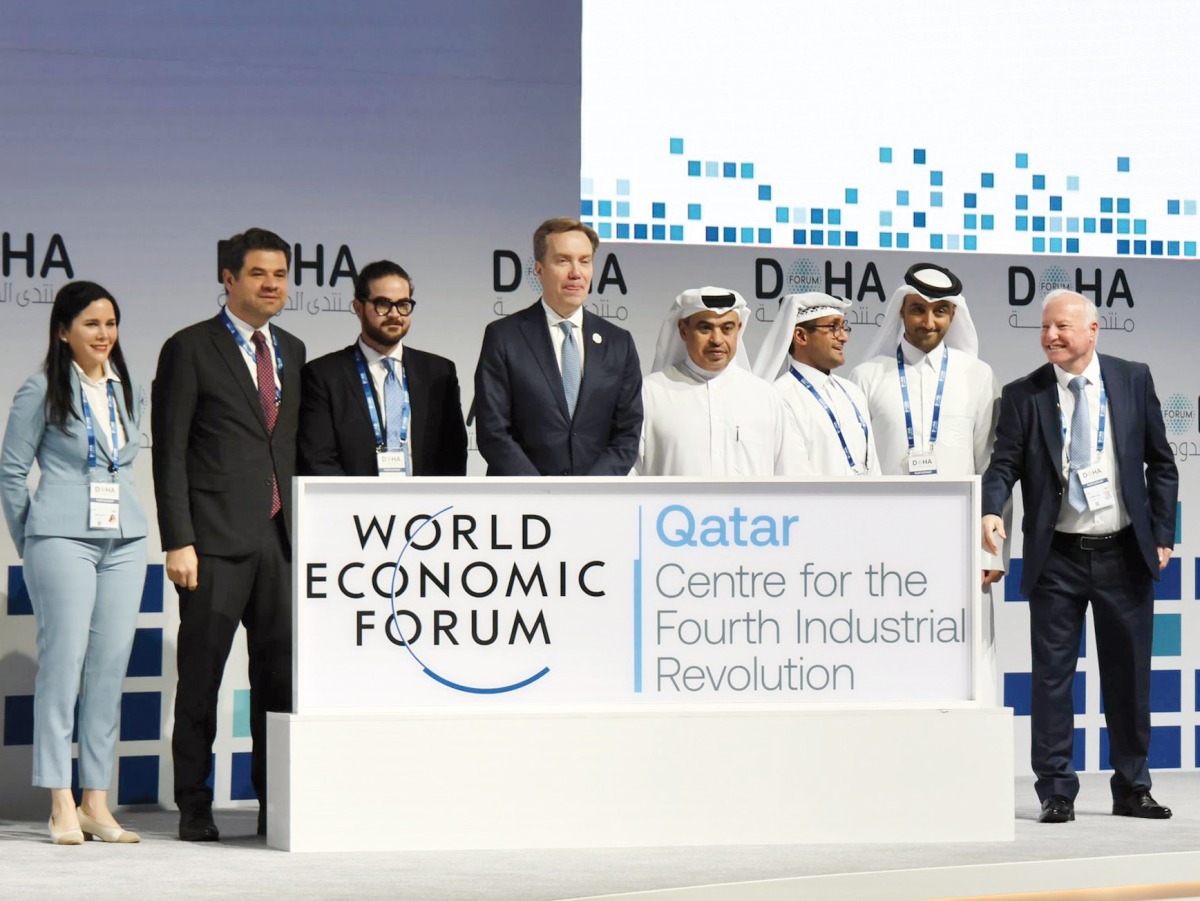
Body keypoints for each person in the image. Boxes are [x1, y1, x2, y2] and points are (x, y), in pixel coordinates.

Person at [981, 290, 1178, 824]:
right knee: (1052, 679)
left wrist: (1163, 533)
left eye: (1062, 327)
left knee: (1129, 676)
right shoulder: (1024, 394)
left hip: (1124, 554)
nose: (1050, 336)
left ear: (1093, 331)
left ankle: (1133, 787)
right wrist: (992, 508)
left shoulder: (1133, 378)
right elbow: (1002, 466)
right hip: (1058, 558)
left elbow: (1162, 463)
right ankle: (1056, 790)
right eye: (1044, 328)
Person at [152, 227, 306, 841]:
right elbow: (170, 451)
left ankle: (278, 807)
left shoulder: (292, 348)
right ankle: (194, 809)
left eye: (280, 275)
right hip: (211, 542)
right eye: (259, 274)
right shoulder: (189, 347)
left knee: (281, 685)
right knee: (202, 682)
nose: (272, 285)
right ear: (228, 279)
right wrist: (178, 539)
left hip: (281, 541)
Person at [0, 282, 148, 844]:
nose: (104, 334)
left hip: (126, 539)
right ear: (64, 331)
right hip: (61, 535)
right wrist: (32, 539)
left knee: (109, 668)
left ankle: (96, 802)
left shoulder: (127, 389)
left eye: (111, 323)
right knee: (64, 665)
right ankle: (59, 799)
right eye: (91, 324)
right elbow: (11, 474)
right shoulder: (40, 388)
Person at [850, 262, 1006, 702]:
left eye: (940, 312)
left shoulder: (977, 376)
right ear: (901, 311)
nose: (929, 322)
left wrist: (988, 551)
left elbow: (991, 467)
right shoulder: (867, 377)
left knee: (967, 657)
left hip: (959, 546)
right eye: (918, 310)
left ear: (954, 316)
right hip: (884, 547)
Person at [473, 217, 642, 475]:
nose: (576, 272)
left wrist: (588, 492)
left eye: (585, 261)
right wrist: (544, 494)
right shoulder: (504, 337)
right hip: (524, 504)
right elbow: (494, 431)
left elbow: (627, 434)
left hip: (597, 502)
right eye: (563, 260)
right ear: (539, 270)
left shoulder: (619, 343)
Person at [298, 260, 467, 477]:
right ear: (358, 308)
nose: (395, 314)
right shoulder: (324, 375)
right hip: (352, 508)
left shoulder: (439, 372)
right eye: (383, 304)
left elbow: (453, 455)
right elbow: (318, 458)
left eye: (403, 305)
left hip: (427, 508)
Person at [636, 286, 803, 476]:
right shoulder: (650, 393)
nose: (717, 340)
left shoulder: (765, 397)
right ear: (683, 330)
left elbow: (792, 478)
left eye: (727, 329)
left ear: (738, 329)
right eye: (705, 328)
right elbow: (630, 476)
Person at [753, 292, 879, 476]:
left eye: (844, 327)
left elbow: (874, 469)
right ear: (801, 336)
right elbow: (794, 479)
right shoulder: (780, 397)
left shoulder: (853, 393)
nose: (844, 337)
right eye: (833, 327)